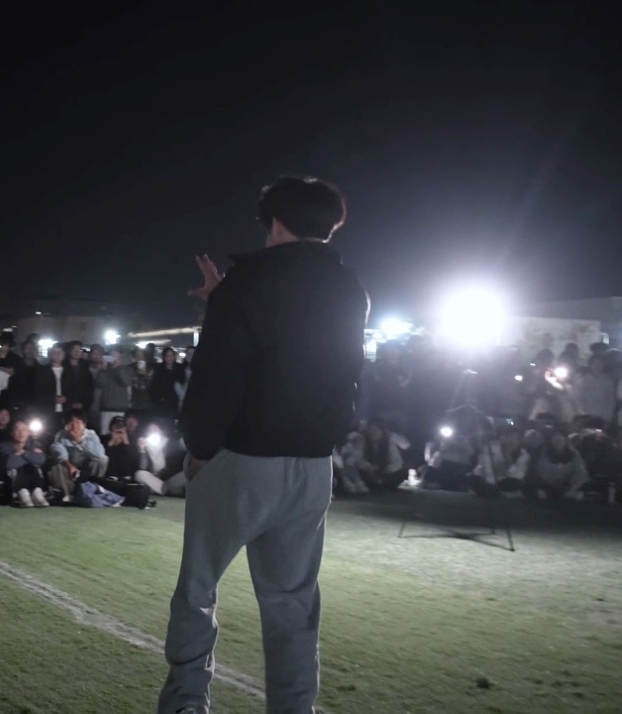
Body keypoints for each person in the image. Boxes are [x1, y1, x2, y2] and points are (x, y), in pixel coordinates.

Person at [159, 176, 367, 714]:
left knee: (198, 588)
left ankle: (186, 702)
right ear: (331, 225)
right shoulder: (350, 288)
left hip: (243, 455)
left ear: (274, 222)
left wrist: (200, 447)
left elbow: (219, 373)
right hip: (313, 462)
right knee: (292, 602)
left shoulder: (247, 283)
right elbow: (320, 360)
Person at [47, 410, 108, 502]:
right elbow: (59, 451)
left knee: (103, 459)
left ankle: (94, 489)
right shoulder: (61, 435)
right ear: (66, 425)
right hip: (69, 470)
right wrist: (69, 466)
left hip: (86, 470)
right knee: (56, 463)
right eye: (71, 422)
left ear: (84, 424)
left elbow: (99, 453)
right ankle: (65, 494)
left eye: (78, 422)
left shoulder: (91, 435)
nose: (74, 426)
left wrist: (80, 441)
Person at [0, 418, 50, 507]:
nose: (21, 433)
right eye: (17, 429)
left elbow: (42, 460)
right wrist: (31, 456)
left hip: (33, 475)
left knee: (31, 467)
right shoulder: (4, 446)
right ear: (11, 432)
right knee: (23, 467)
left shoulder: (35, 444)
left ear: (28, 432)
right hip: (12, 479)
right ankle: (23, 492)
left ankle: (37, 492)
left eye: (24, 429)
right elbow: (8, 463)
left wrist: (23, 453)